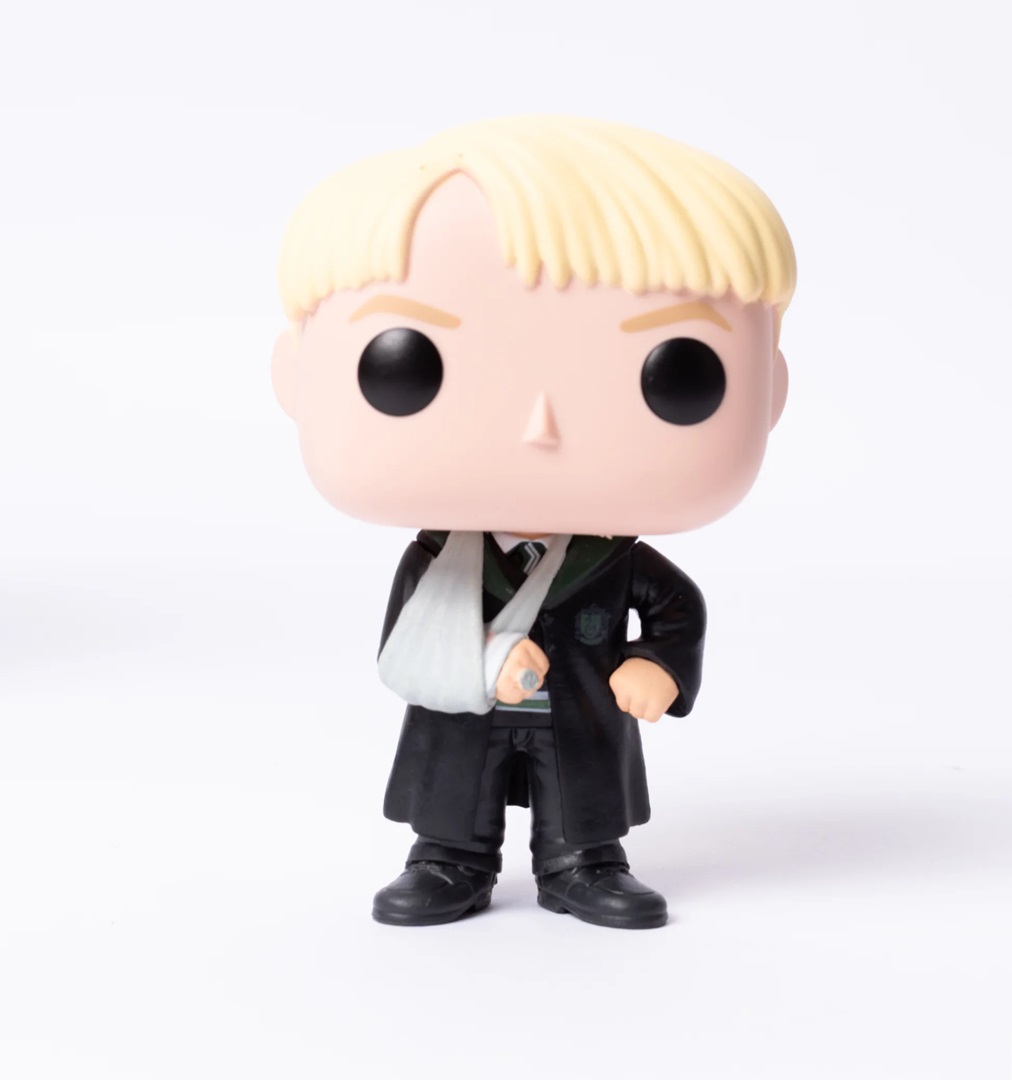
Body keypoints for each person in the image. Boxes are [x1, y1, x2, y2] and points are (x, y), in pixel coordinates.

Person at [271, 117, 795, 929]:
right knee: (455, 789)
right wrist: (482, 659)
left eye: (675, 374)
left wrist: (659, 663)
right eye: (408, 363)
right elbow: (406, 650)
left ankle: (582, 862)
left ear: (771, 391)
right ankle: (449, 856)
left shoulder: (612, 559)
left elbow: (677, 608)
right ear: (295, 380)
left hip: (580, 713)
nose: (539, 426)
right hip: (465, 715)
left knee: (579, 801)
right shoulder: (438, 557)